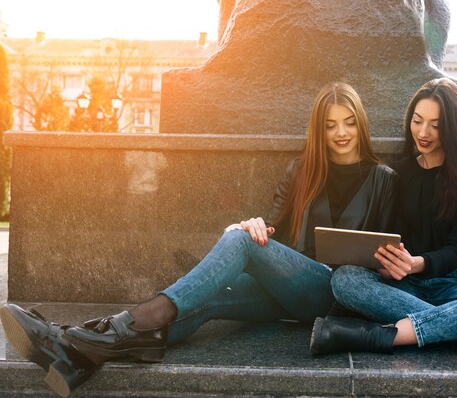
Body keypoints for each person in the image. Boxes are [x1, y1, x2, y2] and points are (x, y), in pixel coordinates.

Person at [0, 82, 398, 397]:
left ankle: (94, 331)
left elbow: (389, 252)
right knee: (210, 294)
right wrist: (258, 225)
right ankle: (78, 352)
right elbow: (274, 229)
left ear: (360, 124)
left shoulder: (383, 180)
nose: (340, 132)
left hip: (336, 295)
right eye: (330, 125)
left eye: (348, 122)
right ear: (319, 129)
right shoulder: (300, 170)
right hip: (286, 289)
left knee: (238, 245)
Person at [310, 78, 457, 361]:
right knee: (345, 279)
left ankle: (392, 334)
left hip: (456, 286)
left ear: (453, 128)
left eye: (436, 125)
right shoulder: (398, 173)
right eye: (418, 121)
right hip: (404, 286)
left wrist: (417, 263)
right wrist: (390, 265)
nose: (423, 132)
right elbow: (390, 238)